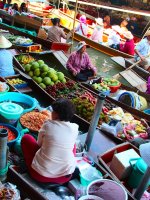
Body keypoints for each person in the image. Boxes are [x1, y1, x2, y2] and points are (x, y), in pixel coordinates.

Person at [21, 98, 79, 183]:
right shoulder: (75, 128)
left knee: (27, 138)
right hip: (65, 177)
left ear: (56, 114)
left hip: (40, 175)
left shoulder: (48, 125)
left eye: (53, 111)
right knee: (72, 146)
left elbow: (39, 145)